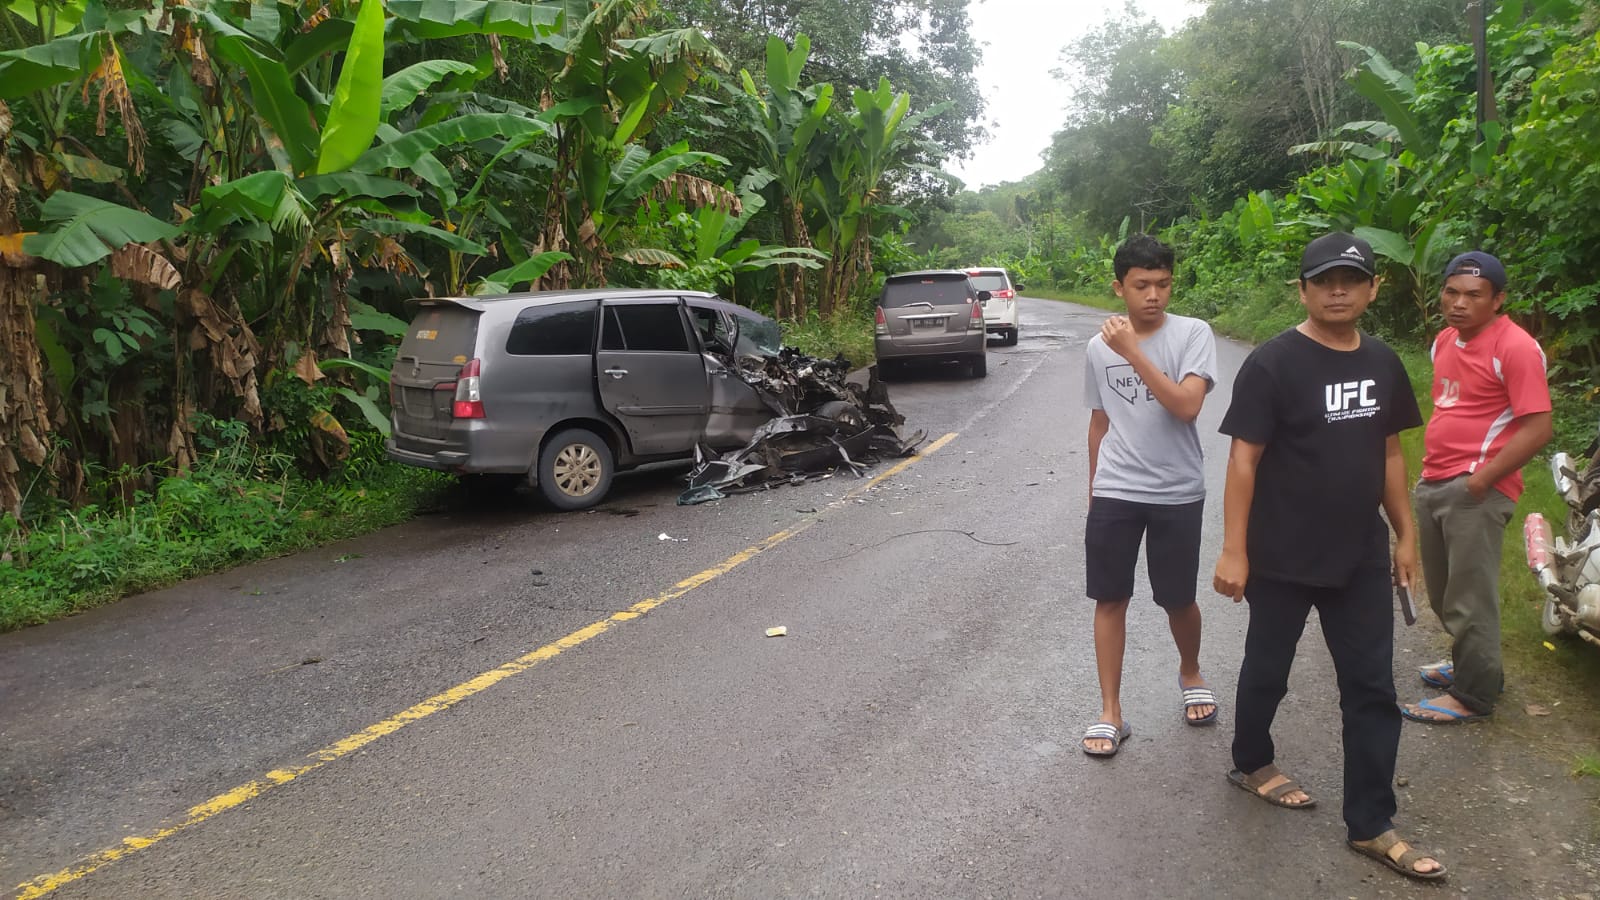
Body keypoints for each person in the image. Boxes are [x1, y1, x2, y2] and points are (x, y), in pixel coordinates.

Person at [1212, 233, 1445, 880]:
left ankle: (1371, 824)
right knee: (1268, 669)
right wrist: (1234, 548)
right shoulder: (1273, 364)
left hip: (1360, 557)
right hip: (1281, 556)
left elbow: (1391, 453)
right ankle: (1251, 759)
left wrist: (1404, 534)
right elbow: (1244, 459)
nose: (1337, 289)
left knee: (1372, 688)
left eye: (1351, 278)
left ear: (1372, 288)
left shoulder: (1383, 362)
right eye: (1323, 280)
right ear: (1304, 289)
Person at [1080, 233, 1219, 757]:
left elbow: (1186, 406)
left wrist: (1133, 351)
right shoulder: (1097, 348)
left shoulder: (1193, 334)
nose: (1154, 295)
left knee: (1177, 597)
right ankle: (1110, 710)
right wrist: (1094, 491)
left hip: (1178, 490)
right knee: (1110, 596)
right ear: (1120, 288)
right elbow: (1099, 422)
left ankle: (1190, 670)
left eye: (1162, 284)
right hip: (1117, 487)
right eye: (1141, 285)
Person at [1405, 252, 1552, 723]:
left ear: (1498, 298)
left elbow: (1538, 426)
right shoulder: (1445, 339)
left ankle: (1473, 695)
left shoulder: (1516, 346)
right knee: (1447, 592)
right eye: (1451, 292)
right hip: (1436, 480)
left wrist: (1482, 479)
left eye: (1473, 295)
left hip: (1477, 489)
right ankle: (1473, 666)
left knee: (1470, 597)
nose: (1459, 303)